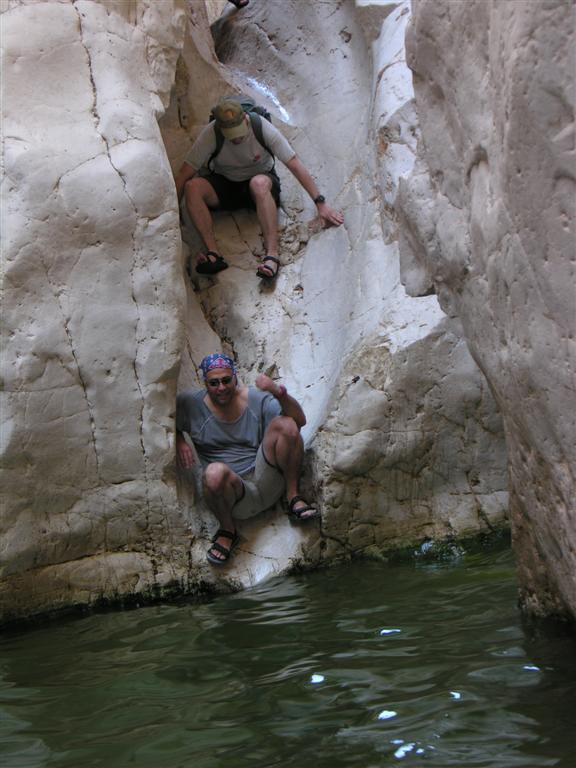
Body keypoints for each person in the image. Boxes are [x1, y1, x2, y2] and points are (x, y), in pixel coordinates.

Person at [175, 96, 344, 280]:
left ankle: (272, 255)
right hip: (226, 183)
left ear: (245, 119)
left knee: (259, 183)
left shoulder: (260, 127)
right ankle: (213, 254)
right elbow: (185, 173)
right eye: (231, 135)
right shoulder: (212, 133)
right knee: (192, 187)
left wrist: (320, 204)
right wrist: (173, 216)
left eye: (239, 133)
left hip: (261, 182)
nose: (237, 138)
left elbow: (294, 163)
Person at [176, 353, 318, 565]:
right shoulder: (190, 404)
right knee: (213, 473)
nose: (221, 388)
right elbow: (164, 420)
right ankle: (228, 530)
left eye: (226, 380)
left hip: (266, 479)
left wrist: (278, 392)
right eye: (214, 383)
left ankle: (293, 497)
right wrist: (179, 440)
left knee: (286, 425)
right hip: (233, 495)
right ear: (205, 382)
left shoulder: (254, 399)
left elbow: (299, 420)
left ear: (235, 377)